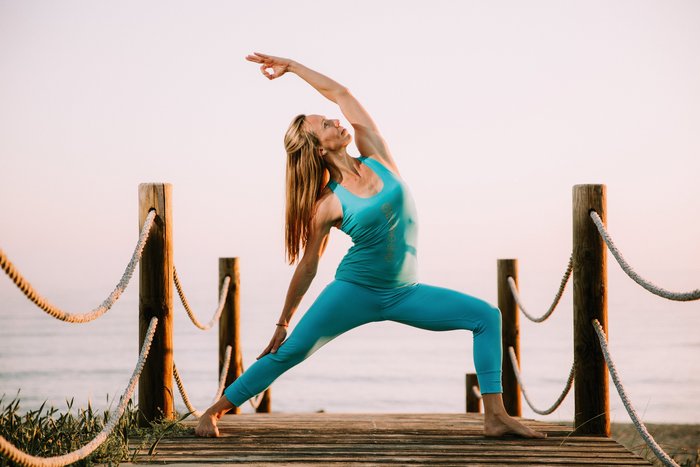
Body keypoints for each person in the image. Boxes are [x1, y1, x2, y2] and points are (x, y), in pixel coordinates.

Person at [195, 52, 544, 439]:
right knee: (290, 352)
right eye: (326, 124)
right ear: (316, 147)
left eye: (331, 118)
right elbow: (309, 265)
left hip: (404, 292)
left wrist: (292, 67)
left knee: (486, 316)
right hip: (354, 291)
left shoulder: (377, 155)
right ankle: (213, 411)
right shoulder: (327, 203)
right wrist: (282, 322)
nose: (336, 121)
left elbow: (341, 93)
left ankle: (494, 417)